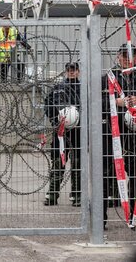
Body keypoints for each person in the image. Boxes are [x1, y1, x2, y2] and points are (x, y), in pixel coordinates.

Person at [101, 44, 136, 228]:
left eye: (131, 56)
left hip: (135, 134)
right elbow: (97, 101)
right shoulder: (108, 78)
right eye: (124, 56)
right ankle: (100, 220)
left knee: (135, 175)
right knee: (105, 175)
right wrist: (117, 101)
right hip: (112, 132)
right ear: (118, 57)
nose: (127, 59)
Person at [43, 62, 81, 206]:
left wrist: (79, 119)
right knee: (58, 162)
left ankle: (77, 196)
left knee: (77, 163)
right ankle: (52, 195)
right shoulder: (58, 88)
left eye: (74, 70)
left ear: (78, 71)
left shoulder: (83, 88)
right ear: (66, 72)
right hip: (61, 131)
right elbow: (48, 104)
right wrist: (55, 121)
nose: (72, 72)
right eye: (69, 70)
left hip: (78, 131)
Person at [0, 16, 30, 81]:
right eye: (5, 22)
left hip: (12, 56)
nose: (6, 24)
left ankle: (19, 81)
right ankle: (4, 86)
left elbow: (21, 41)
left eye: (8, 22)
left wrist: (28, 48)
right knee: (3, 76)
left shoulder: (14, 32)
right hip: (2, 58)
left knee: (20, 66)